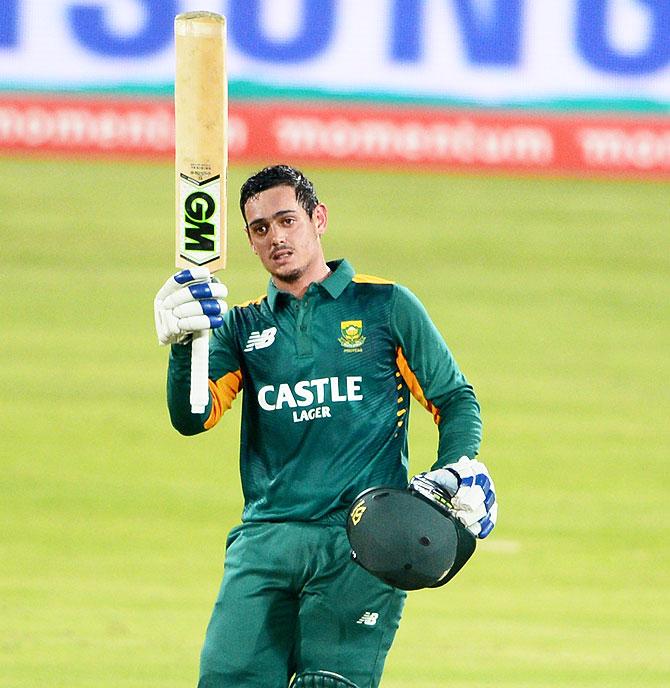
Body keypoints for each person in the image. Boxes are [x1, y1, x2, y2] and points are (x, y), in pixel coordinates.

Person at [154, 165, 497, 688]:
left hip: (362, 540)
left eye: (287, 219)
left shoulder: (385, 306)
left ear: (318, 219)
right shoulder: (240, 326)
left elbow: (454, 399)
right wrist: (185, 349)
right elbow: (192, 417)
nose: (276, 237)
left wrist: (454, 470)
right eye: (260, 228)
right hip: (266, 539)